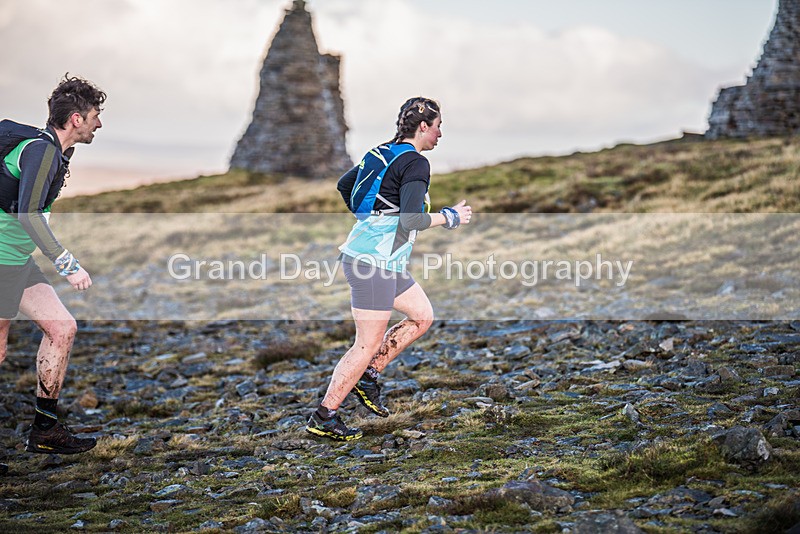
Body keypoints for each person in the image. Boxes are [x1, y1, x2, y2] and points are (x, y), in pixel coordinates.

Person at [306, 97, 472, 441]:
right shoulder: (415, 163)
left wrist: (371, 219)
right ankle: (324, 416)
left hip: (383, 261)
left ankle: (368, 377)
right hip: (372, 265)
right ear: (423, 126)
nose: (440, 134)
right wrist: (450, 217)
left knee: (422, 316)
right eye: (438, 126)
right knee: (364, 344)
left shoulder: (380, 152)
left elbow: (344, 186)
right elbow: (412, 218)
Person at [0, 75, 106, 469]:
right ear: (76, 119)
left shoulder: (57, 154)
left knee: (62, 328)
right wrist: (67, 263)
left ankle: (44, 431)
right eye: (95, 116)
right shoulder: (41, 152)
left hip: (16, 261)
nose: (99, 124)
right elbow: (28, 213)